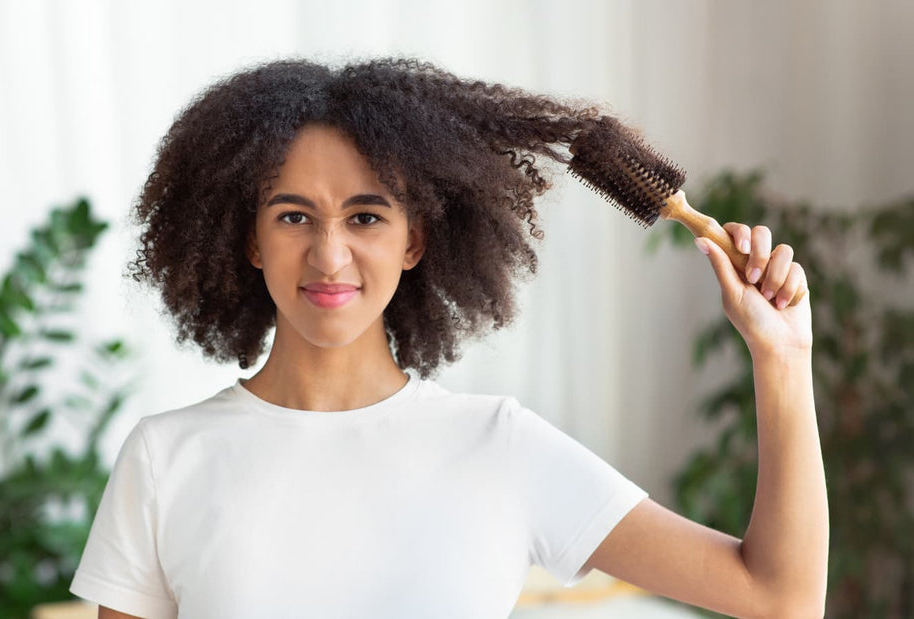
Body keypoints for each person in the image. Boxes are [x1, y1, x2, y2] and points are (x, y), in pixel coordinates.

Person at [69, 57, 827, 618]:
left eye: (366, 217)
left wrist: (783, 360)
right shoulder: (165, 457)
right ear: (251, 240)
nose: (330, 256)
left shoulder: (500, 447)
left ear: (415, 240)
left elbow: (780, 595)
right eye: (294, 216)